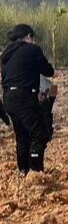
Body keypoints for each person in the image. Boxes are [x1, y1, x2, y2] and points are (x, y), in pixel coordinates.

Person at [1, 24, 55, 175]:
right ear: (28, 36)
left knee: (22, 135)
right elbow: (48, 71)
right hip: (24, 97)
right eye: (33, 38)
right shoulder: (32, 49)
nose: (34, 41)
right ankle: (35, 171)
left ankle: (23, 170)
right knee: (40, 134)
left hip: (8, 98)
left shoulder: (6, 54)